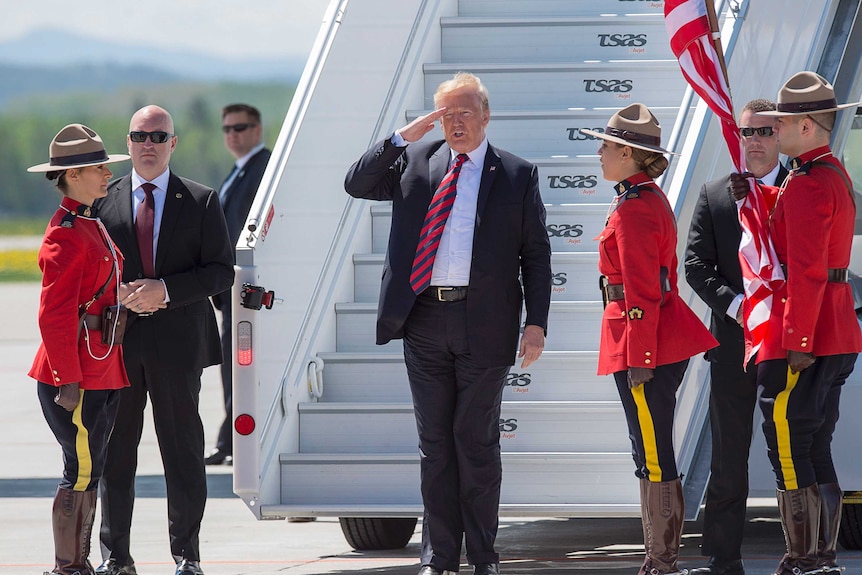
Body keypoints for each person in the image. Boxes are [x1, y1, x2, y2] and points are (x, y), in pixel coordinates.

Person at [344, 72, 551, 575]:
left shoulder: (517, 174)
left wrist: (536, 322)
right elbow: (357, 183)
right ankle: (439, 559)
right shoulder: (416, 160)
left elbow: (536, 254)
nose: (453, 123)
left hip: (486, 324)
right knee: (434, 445)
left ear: (485, 115)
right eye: (445, 114)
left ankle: (483, 557)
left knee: (474, 442)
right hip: (424, 320)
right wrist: (402, 137)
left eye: (463, 112)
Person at [94, 105, 235, 575]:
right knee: (116, 452)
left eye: (158, 137)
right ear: (127, 143)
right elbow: (89, 270)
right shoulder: (103, 201)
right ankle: (116, 555)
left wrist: (167, 291)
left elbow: (220, 271)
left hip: (178, 347)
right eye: (139, 136)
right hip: (118, 345)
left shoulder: (200, 200)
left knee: (183, 452)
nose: (148, 145)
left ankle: (187, 555)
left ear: (173, 143)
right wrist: (117, 292)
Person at [582, 103, 718, 575]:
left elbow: (641, 287)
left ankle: (661, 562)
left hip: (646, 341)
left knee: (653, 450)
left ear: (627, 152)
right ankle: (660, 558)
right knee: (649, 447)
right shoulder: (635, 198)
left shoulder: (635, 208)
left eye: (605, 145)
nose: (598, 153)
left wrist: (640, 354)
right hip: (649, 335)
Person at [748, 71, 862, 575]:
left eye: (784, 123)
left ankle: (802, 557)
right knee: (815, 445)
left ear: (810, 126)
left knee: (789, 443)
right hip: (836, 328)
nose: (775, 131)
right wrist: (765, 198)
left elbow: (809, 269)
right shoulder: (828, 173)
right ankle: (821, 556)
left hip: (810, 332)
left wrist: (796, 340)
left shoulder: (807, 183)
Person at [684, 99, 788, 575]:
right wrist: (738, 307)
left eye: (765, 132)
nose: (756, 141)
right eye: (748, 133)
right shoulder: (716, 194)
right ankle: (724, 559)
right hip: (733, 345)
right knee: (728, 457)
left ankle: (805, 555)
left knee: (795, 451)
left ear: (781, 134)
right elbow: (695, 265)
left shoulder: (800, 187)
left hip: (792, 344)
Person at [27, 124, 131, 575]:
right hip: (77, 375)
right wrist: (67, 378)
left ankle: (79, 564)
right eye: (98, 167)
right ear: (71, 175)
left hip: (101, 365)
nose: (108, 173)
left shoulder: (89, 220)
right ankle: (68, 568)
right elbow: (54, 315)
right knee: (82, 471)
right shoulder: (66, 233)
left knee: (92, 468)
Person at [205, 103, 271, 467]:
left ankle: (236, 439)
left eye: (241, 127)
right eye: (227, 128)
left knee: (244, 365)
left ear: (258, 130)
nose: (233, 134)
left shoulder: (263, 169)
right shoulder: (239, 170)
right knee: (232, 364)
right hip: (230, 288)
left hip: (246, 287)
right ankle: (229, 438)